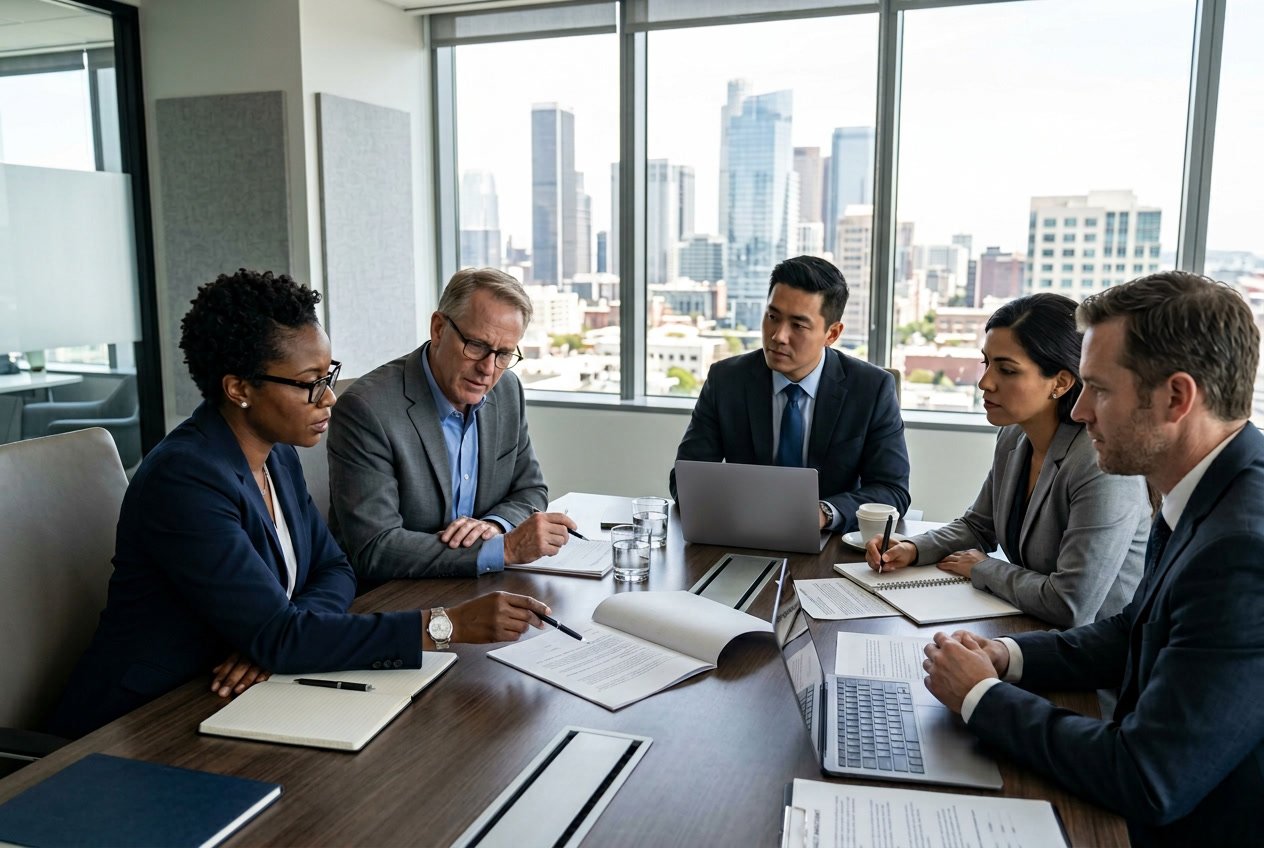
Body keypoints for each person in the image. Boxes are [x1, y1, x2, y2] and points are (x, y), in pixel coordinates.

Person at [47, 270, 550, 739]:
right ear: (239, 388)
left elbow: (335, 569)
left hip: (237, 694)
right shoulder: (187, 479)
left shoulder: (275, 454)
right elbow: (286, 630)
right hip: (139, 725)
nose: (328, 398)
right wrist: (450, 625)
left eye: (328, 374)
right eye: (310, 383)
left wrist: (282, 636)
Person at [920, 271, 1264, 847]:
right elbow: (1133, 631)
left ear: (1177, 398)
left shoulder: (1242, 549)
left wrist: (981, 697)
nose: (1079, 411)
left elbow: (1147, 777)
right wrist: (1004, 656)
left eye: (1098, 389)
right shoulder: (1207, 490)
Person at [865, 293, 1148, 627]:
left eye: (1007, 370)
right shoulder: (1014, 435)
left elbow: (1070, 604)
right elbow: (978, 526)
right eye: (987, 363)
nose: (985, 382)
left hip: (1092, 658)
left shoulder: (1098, 464)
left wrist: (984, 568)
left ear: (1060, 382)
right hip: (1029, 625)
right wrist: (913, 548)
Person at [328, 268, 574, 580]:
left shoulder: (507, 390)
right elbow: (375, 548)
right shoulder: (367, 409)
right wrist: (504, 548)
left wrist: (495, 526)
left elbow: (530, 489)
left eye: (503, 354)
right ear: (439, 328)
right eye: (477, 345)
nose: (488, 369)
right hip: (397, 598)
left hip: (479, 585)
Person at [669, 255, 910, 533]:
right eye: (773, 317)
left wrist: (823, 513)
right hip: (743, 537)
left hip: (831, 546)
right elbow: (685, 480)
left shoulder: (871, 389)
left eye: (798, 325)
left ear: (832, 333)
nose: (778, 336)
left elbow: (892, 491)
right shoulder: (726, 381)